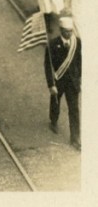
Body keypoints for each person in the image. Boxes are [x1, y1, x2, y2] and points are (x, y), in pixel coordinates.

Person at [44, 15, 81, 150]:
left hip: (72, 82)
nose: (69, 34)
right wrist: (51, 85)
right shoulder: (53, 44)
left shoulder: (77, 43)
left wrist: (79, 78)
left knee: (74, 110)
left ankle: (75, 137)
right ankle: (53, 120)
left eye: (70, 31)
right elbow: (48, 66)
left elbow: (79, 61)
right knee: (55, 102)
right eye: (66, 31)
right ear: (60, 30)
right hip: (58, 80)